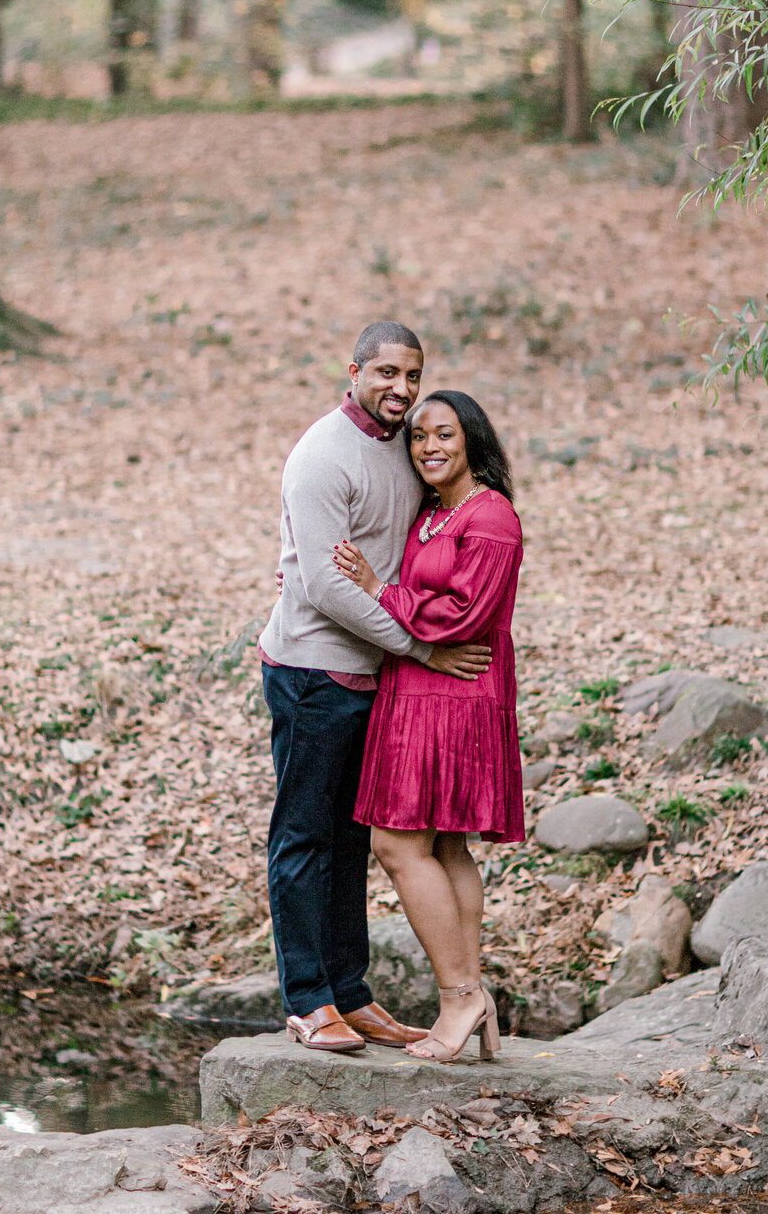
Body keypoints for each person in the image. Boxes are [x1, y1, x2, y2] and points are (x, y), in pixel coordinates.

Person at [259, 323, 492, 1056]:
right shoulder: (322, 454)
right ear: (353, 370)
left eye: (412, 376)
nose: (400, 388)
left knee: (354, 839)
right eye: (386, 372)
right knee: (304, 836)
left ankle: (351, 994)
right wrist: (422, 645)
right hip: (314, 671)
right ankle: (307, 1000)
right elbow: (325, 584)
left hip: (381, 676)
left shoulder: (406, 442)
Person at [334, 389, 524, 1064]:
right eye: (418, 438)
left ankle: (460, 995)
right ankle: (474, 1000)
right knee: (443, 848)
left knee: (396, 844)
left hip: (456, 689)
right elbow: (430, 602)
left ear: (472, 439)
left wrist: (382, 592)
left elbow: (464, 616)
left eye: (444, 434)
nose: (429, 447)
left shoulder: (490, 517)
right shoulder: (432, 515)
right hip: (415, 686)